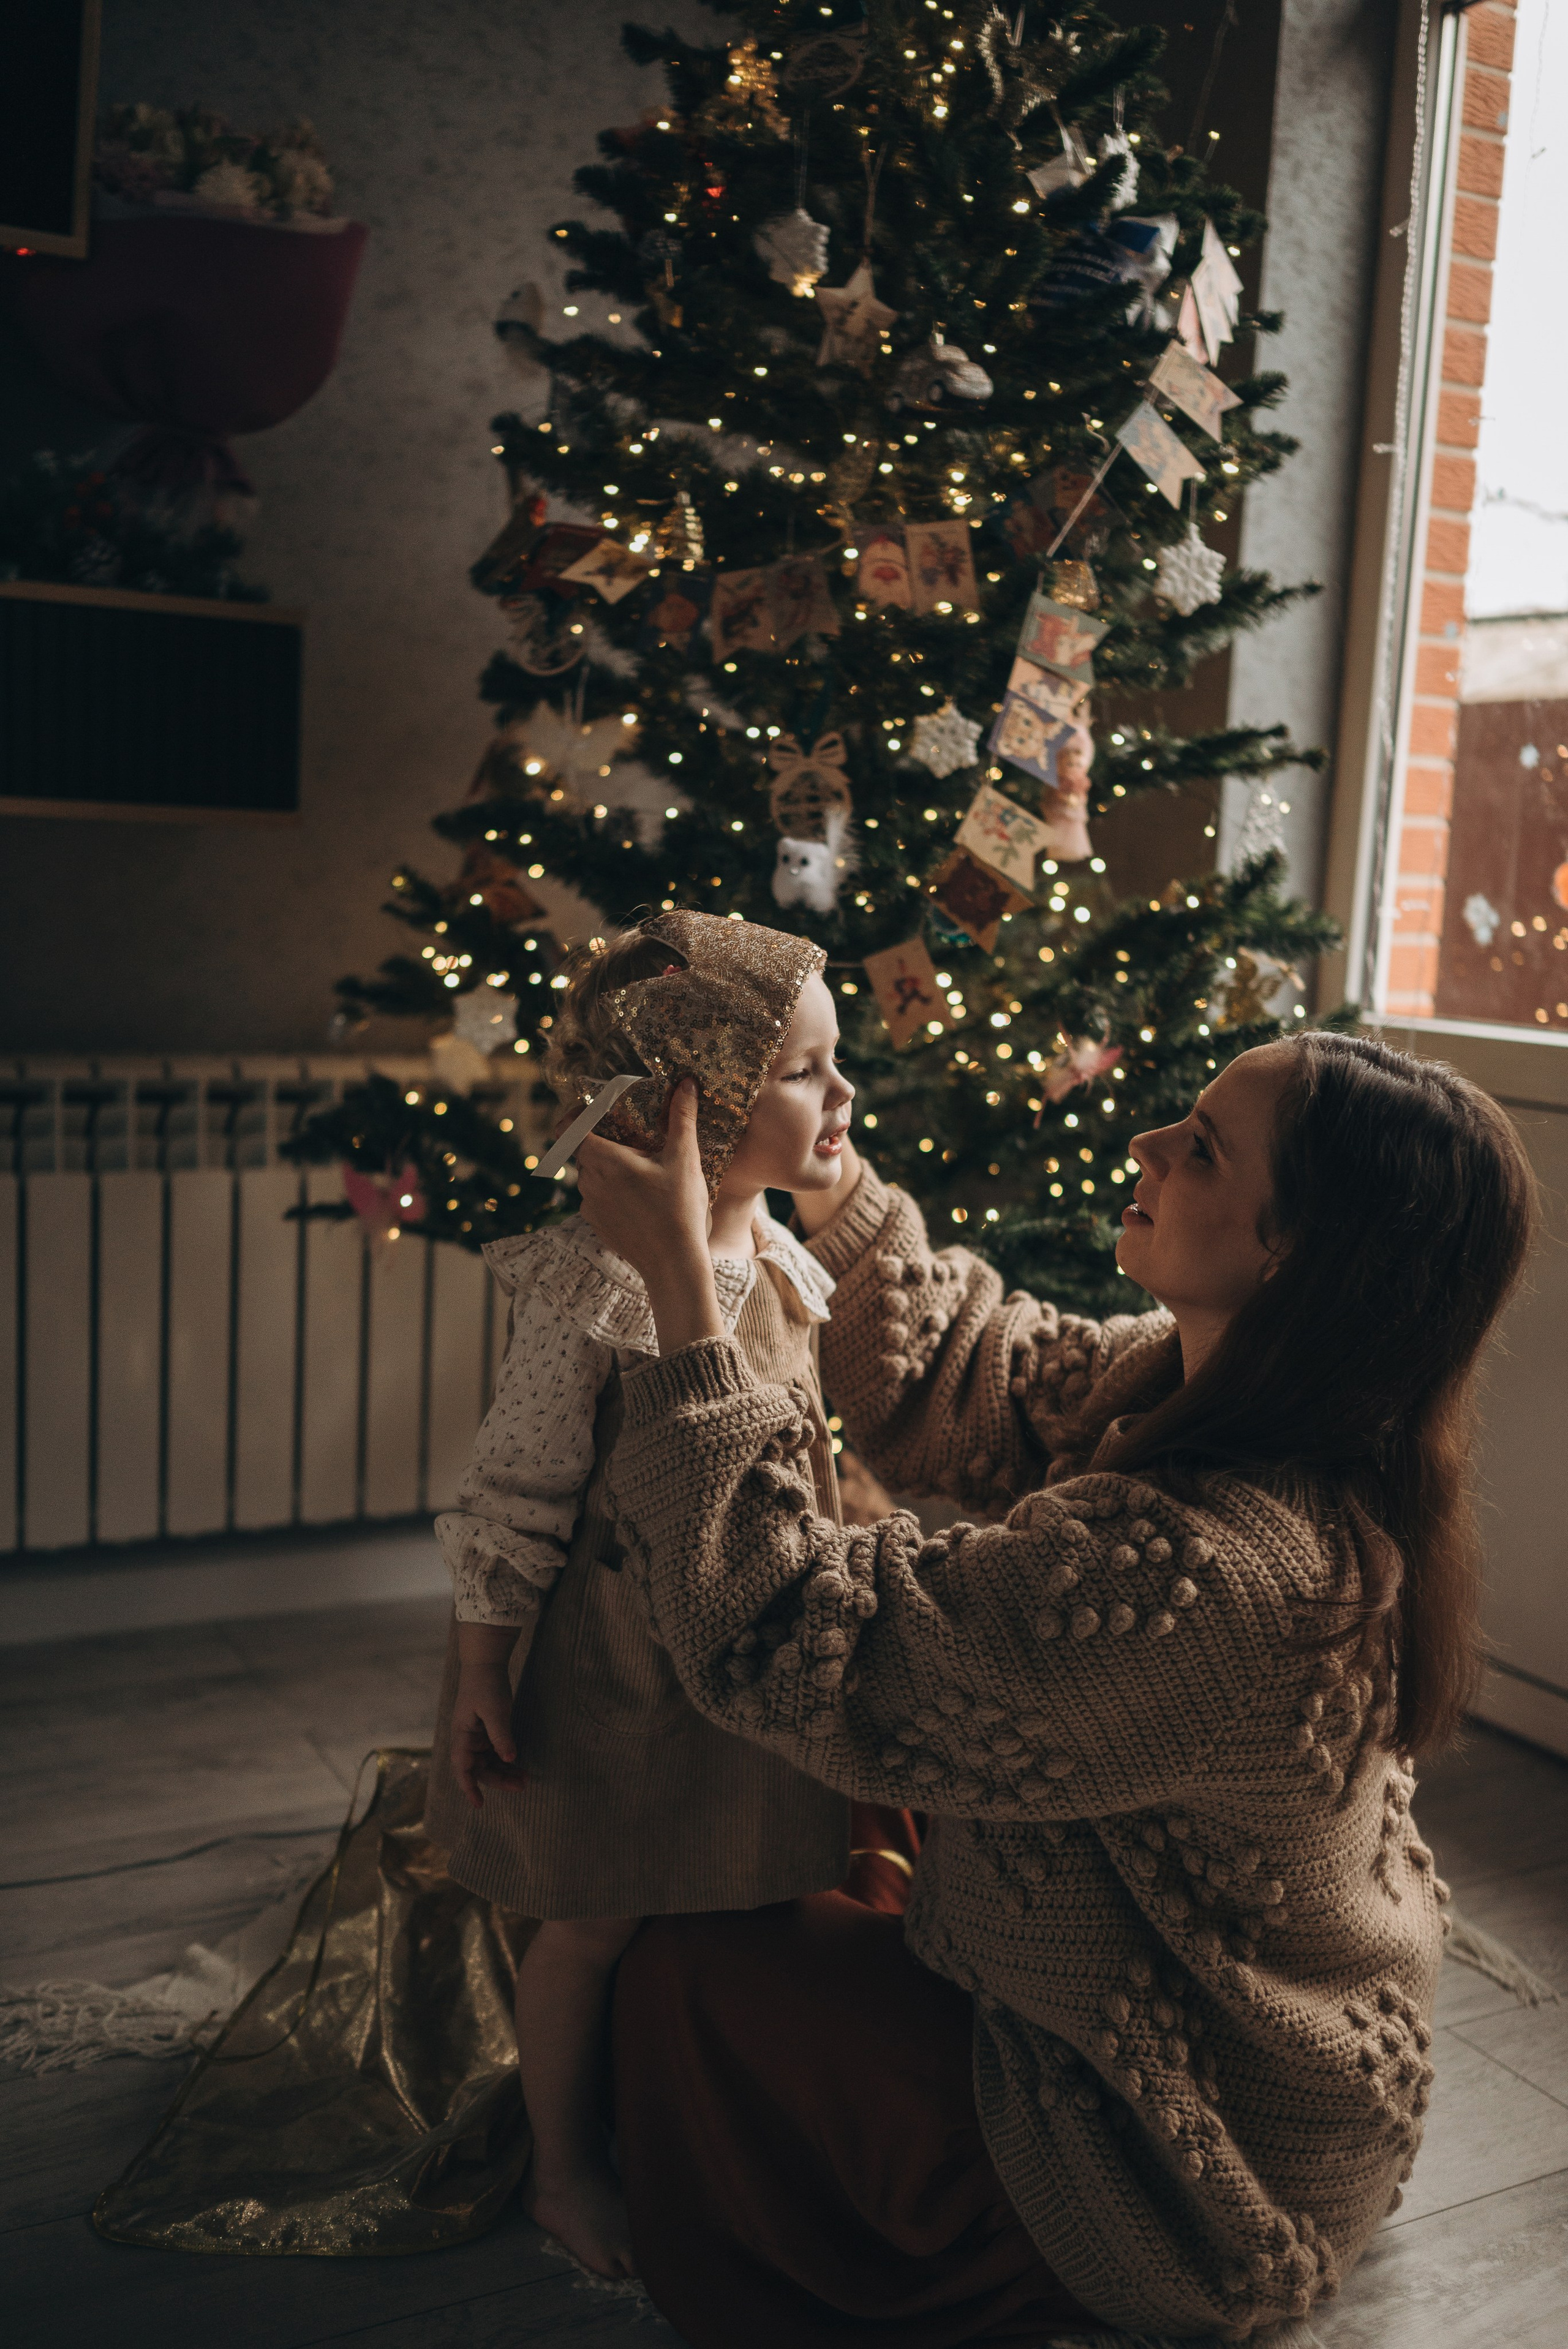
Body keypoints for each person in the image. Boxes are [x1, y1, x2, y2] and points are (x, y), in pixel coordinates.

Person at [573, 1030, 1536, 2345]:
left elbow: (787, 1630)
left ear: (1291, 1255)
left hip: (1178, 2168)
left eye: (1201, 1150)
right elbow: (987, 1372)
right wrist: (831, 1180)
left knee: (682, 1962)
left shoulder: (1215, 1571)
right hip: (1262, 2058)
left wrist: (685, 1297)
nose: (1146, 1144)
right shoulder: (1251, 1388)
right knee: (821, 1817)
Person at [422, 909, 858, 2280]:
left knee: (731, 1887)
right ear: (695, 1110)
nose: (844, 1093)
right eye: (805, 1071)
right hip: (622, 1675)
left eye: (834, 1061)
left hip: (753, 1640)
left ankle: (697, 2111)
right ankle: (565, 2169)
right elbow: (518, 1488)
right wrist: (482, 1669)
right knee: (596, 1918)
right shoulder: (596, 1290)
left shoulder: (775, 1250)